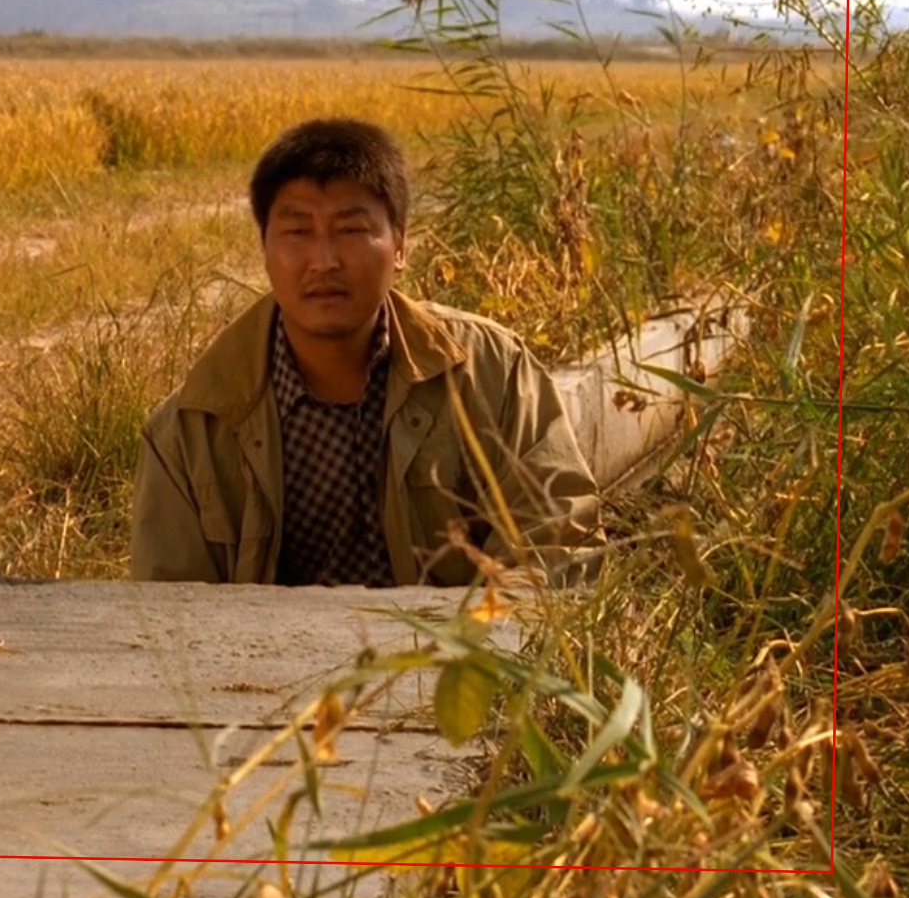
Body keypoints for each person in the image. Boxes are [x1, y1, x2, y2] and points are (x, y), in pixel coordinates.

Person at [130, 118, 602, 587]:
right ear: (265, 249)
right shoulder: (193, 427)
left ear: (400, 245)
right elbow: (170, 609)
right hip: (259, 640)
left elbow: (556, 540)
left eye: (351, 230)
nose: (324, 261)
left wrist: (475, 628)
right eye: (297, 232)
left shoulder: (490, 371)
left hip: (457, 637)